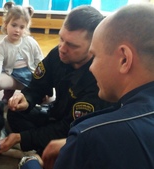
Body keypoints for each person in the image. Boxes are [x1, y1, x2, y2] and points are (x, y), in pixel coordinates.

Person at [0, 5, 114, 157]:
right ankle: (43, 150)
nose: (62, 48)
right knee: (15, 113)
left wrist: (23, 138)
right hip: (56, 111)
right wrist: (26, 99)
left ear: (93, 46)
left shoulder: (99, 78)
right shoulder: (58, 54)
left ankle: (45, 152)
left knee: (72, 146)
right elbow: (38, 86)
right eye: (61, 38)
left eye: (72, 45)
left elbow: (70, 127)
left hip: (76, 129)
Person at [52, 3, 154, 169]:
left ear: (124, 60)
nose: (91, 67)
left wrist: (29, 162)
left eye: (95, 56)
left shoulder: (90, 136)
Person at [0, 2, 43, 102]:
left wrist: (44, 83)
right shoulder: (2, 46)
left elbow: (40, 62)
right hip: (12, 75)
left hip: (30, 73)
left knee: (46, 98)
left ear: (26, 28)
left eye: (22, 27)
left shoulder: (31, 42)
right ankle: (9, 92)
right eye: (14, 25)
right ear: (6, 24)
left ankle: (26, 93)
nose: (17, 30)